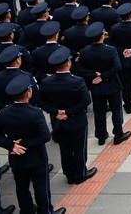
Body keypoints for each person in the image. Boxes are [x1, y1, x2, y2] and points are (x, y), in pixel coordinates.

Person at [0, 74, 65, 214]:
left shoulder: (3, 113)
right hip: (37, 157)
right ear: (29, 93)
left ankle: (26, 210)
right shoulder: (34, 113)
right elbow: (45, 136)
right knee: (41, 188)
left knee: (21, 187)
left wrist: (11, 145)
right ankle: (45, 211)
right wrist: (26, 144)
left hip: (16, 157)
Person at [37, 47, 96, 185]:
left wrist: (56, 112)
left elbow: (41, 101)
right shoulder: (77, 81)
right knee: (79, 148)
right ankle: (80, 174)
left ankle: (69, 174)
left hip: (58, 121)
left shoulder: (46, 82)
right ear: (68, 63)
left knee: (65, 148)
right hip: (77, 120)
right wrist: (68, 112)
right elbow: (86, 100)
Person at [76, 22, 131, 146]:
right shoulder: (110, 50)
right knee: (116, 109)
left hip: (96, 86)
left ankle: (101, 136)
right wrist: (104, 76)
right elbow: (117, 67)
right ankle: (118, 134)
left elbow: (80, 69)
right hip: (112, 84)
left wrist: (95, 75)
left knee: (99, 111)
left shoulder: (84, 52)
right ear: (103, 35)